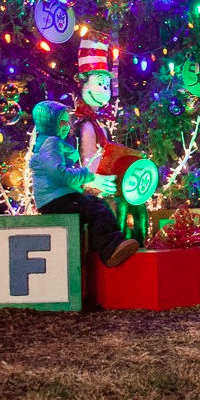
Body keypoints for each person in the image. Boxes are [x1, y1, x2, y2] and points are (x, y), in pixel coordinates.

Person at [28, 100, 139, 268]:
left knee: (93, 204)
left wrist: (84, 187)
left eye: (67, 121)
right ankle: (110, 248)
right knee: (95, 208)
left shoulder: (48, 144)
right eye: (62, 121)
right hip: (55, 200)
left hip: (57, 198)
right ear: (51, 123)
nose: (67, 125)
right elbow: (60, 174)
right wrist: (89, 176)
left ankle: (98, 250)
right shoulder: (51, 143)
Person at [73, 36, 150, 246]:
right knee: (120, 206)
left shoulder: (100, 125)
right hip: (87, 186)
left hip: (106, 182)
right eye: (99, 84)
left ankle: (138, 245)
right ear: (84, 84)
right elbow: (86, 160)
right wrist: (95, 181)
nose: (104, 91)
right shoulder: (85, 125)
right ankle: (115, 248)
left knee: (138, 204)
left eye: (106, 85)